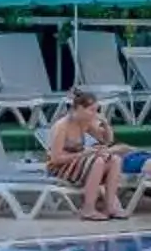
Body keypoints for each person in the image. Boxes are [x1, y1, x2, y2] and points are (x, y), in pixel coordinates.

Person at [44, 91, 126, 221]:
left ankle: (110, 206)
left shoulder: (85, 123)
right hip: (59, 167)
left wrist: (105, 124)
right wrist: (84, 154)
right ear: (80, 109)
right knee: (98, 161)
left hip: (78, 162)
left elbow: (107, 141)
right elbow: (55, 159)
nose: (95, 114)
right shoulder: (61, 126)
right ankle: (88, 209)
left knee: (115, 160)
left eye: (96, 110)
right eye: (92, 110)